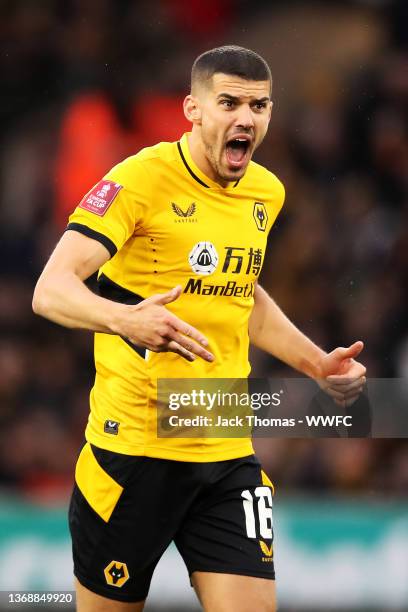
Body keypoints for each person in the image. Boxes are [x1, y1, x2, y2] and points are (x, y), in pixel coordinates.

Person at [33, 45, 366, 612]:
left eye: (258, 105)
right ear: (193, 109)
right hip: (133, 451)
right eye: (229, 102)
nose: (246, 118)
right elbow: (51, 289)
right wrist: (126, 319)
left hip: (224, 445)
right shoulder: (138, 180)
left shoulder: (266, 191)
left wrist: (317, 364)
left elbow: (244, 294)